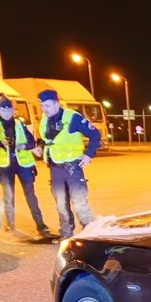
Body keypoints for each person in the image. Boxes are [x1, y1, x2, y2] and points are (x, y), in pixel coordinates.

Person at [33, 89, 101, 239]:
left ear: (57, 103)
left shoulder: (73, 118)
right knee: (61, 205)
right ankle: (66, 233)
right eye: (42, 106)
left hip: (72, 168)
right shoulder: (44, 119)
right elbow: (47, 139)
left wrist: (89, 155)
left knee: (80, 203)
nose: (45, 109)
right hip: (55, 168)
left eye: (48, 105)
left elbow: (95, 134)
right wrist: (40, 146)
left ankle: (91, 234)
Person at [0, 96, 52, 238]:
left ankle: (41, 225)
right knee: (9, 196)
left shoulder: (19, 124)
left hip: (23, 164)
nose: (6, 112)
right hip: (5, 166)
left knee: (31, 195)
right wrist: (0, 143)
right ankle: (10, 223)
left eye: (9, 109)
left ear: (13, 111)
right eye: (3, 109)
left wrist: (23, 145)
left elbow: (32, 143)